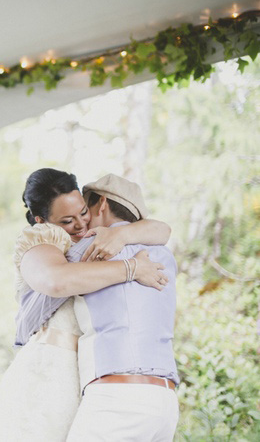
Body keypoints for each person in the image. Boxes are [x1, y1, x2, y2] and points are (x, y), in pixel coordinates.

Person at [0, 168, 170, 441]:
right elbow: (57, 281)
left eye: (84, 212)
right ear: (42, 220)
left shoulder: (103, 241)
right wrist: (131, 268)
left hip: (86, 381)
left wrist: (122, 235)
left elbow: (162, 230)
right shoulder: (41, 246)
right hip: (46, 373)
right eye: (67, 220)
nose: (81, 224)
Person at [66, 174, 178, 441]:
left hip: (118, 396)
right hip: (165, 401)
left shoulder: (89, 249)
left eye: (85, 211)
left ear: (101, 204)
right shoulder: (164, 255)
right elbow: (162, 230)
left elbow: (50, 285)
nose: (81, 224)